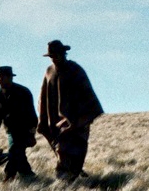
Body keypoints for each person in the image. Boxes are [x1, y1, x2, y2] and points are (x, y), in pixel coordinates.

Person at [38, 40, 104, 180]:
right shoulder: (49, 72)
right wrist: (43, 122)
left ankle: (71, 179)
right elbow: (43, 98)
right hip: (56, 123)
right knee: (62, 153)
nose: (54, 58)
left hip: (76, 122)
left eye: (57, 55)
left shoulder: (75, 70)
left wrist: (78, 121)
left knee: (75, 153)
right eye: (52, 56)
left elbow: (87, 97)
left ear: (63, 54)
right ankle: (67, 182)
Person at [0, 66, 38, 181]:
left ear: (10, 78)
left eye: (2, 77)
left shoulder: (23, 92)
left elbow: (32, 115)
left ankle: (10, 176)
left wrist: (32, 134)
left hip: (24, 129)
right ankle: (28, 175)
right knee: (17, 153)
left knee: (14, 151)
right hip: (11, 130)